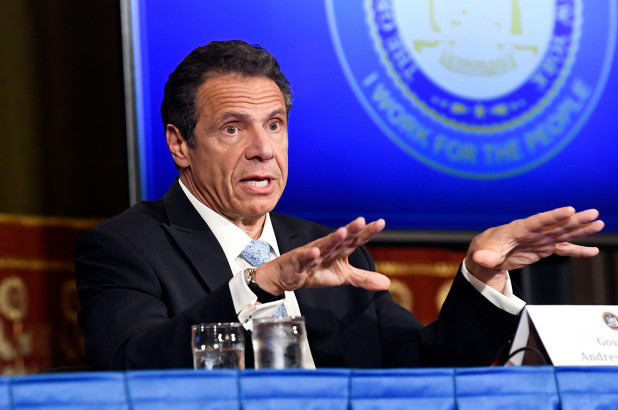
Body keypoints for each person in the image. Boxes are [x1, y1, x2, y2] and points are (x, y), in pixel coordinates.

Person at [75, 40, 604, 370]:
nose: (263, 149)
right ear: (179, 144)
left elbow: (420, 368)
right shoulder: (127, 246)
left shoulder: (322, 247)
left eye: (275, 125)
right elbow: (126, 366)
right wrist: (260, 286)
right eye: (233, 128)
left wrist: (480, 279)